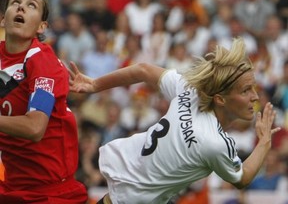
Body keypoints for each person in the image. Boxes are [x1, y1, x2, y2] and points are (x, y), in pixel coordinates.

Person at [69, 37, 280, 204]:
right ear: (220, 99)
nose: (255, 96)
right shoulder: (214, 143)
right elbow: (241, 179)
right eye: (246, 90)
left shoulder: (190, 92)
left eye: (254, 88)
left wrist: (95, 85)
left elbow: (143, 69)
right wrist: (264, 142)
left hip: (125, 188)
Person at [0, 0, 87, 203]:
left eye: (32, 5)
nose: (20, 6)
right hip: (12, 187)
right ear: (3, 19)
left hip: (50, 192)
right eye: (15, 2)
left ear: (41, 26)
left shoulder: (43, 63)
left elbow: (35, 127)